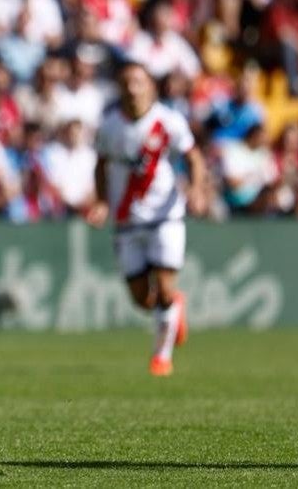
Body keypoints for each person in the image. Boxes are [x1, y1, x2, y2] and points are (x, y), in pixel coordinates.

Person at [86, 61, 208, 377]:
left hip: (165, 217)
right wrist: (100, 201)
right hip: (127, 220)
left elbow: (193, 157)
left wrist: (196, 190)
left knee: (165, 288)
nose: (132, 88)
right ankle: (172, 310)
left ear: (150, 86)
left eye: (139, 82)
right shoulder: (110, 126)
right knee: (142, 298)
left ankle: (161, 357)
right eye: (126, 82)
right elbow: (100, 165)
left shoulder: (168, 121)